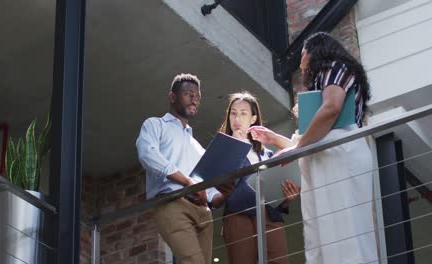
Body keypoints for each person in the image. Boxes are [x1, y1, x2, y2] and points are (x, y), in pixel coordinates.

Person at [248, 32, 378, 264]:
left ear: (316, 51)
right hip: (326, 159)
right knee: (323, 235)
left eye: (302, 54)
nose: (300, 62)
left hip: (341, 156)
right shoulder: (322, 81)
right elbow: (310, 140)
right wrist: (276, 139)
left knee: (344, 231)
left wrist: (296, 149)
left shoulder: (336, 67)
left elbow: (331, 110)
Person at [210, 92, 300, 264]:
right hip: (238, 215)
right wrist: (235, 146)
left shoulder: (267, 154)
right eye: (233, 113)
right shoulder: (222, 149)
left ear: (253, 119)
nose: (237, 118)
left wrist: (287, 199)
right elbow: (216, 188)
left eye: (243, 113)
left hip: (270, 216)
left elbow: (278, 197)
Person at [136, 73, 214, 264]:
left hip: (203, 213)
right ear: (172, 97)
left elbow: (210, 191)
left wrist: (226, 190)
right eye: (188, 94)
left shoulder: (197, 145)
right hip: (172, 204)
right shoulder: (155, 125)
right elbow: (148, 155)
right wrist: (187, 182)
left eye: (197, 96)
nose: (194, 99)